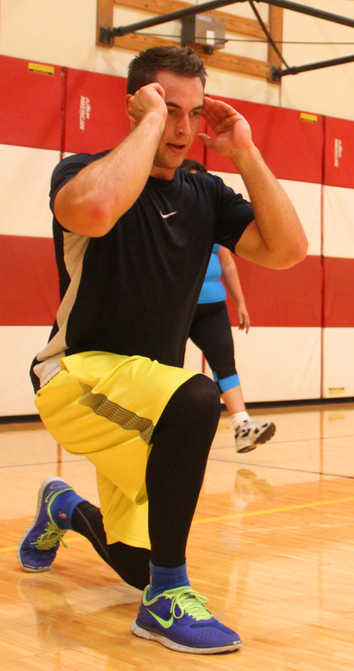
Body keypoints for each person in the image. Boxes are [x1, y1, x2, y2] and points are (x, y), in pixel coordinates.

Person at [18, 46, 307, 654]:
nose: (183, 129)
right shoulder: (80, 172)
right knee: (200, 395)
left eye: (193, 114)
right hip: (75, 377)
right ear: (138, 105)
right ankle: (166, 599)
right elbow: (95, 212)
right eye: (167, 109)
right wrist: (148, 124)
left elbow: (287, 250)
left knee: (133, 564)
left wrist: (246, 152)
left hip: (148, 399)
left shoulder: (205, 192)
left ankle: (63, 507)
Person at [181, 159, 276, 453]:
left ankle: (242, 426)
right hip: (178, 307)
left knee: (225, 365)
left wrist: (241, 303)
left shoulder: (210, 219)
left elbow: (227, 263)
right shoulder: (169, 219)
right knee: (165, 367)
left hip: (213, 307)